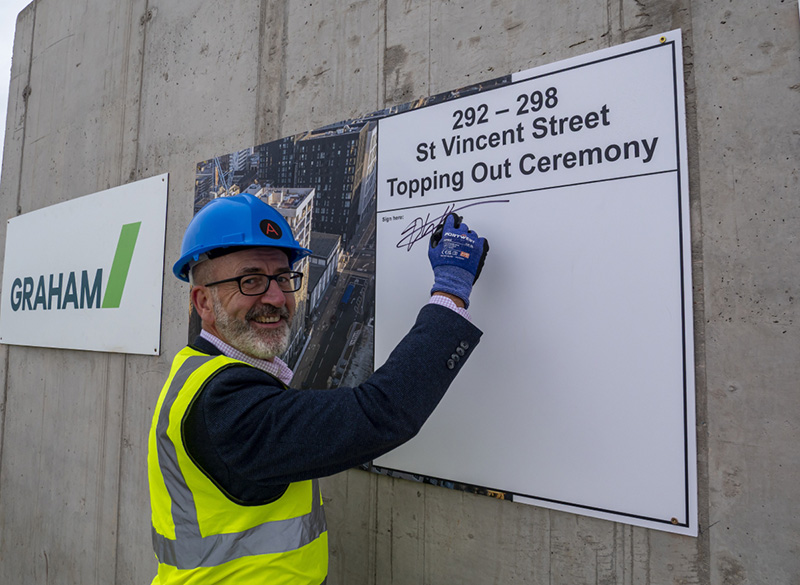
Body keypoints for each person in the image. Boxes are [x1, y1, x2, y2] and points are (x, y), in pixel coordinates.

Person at [147, 193, 489, 584]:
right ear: (203, 302)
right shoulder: (223, 403)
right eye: (250, 280)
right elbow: (379, 413)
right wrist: (450, 292)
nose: (277, 297)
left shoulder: (199, 370)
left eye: (283, 278)